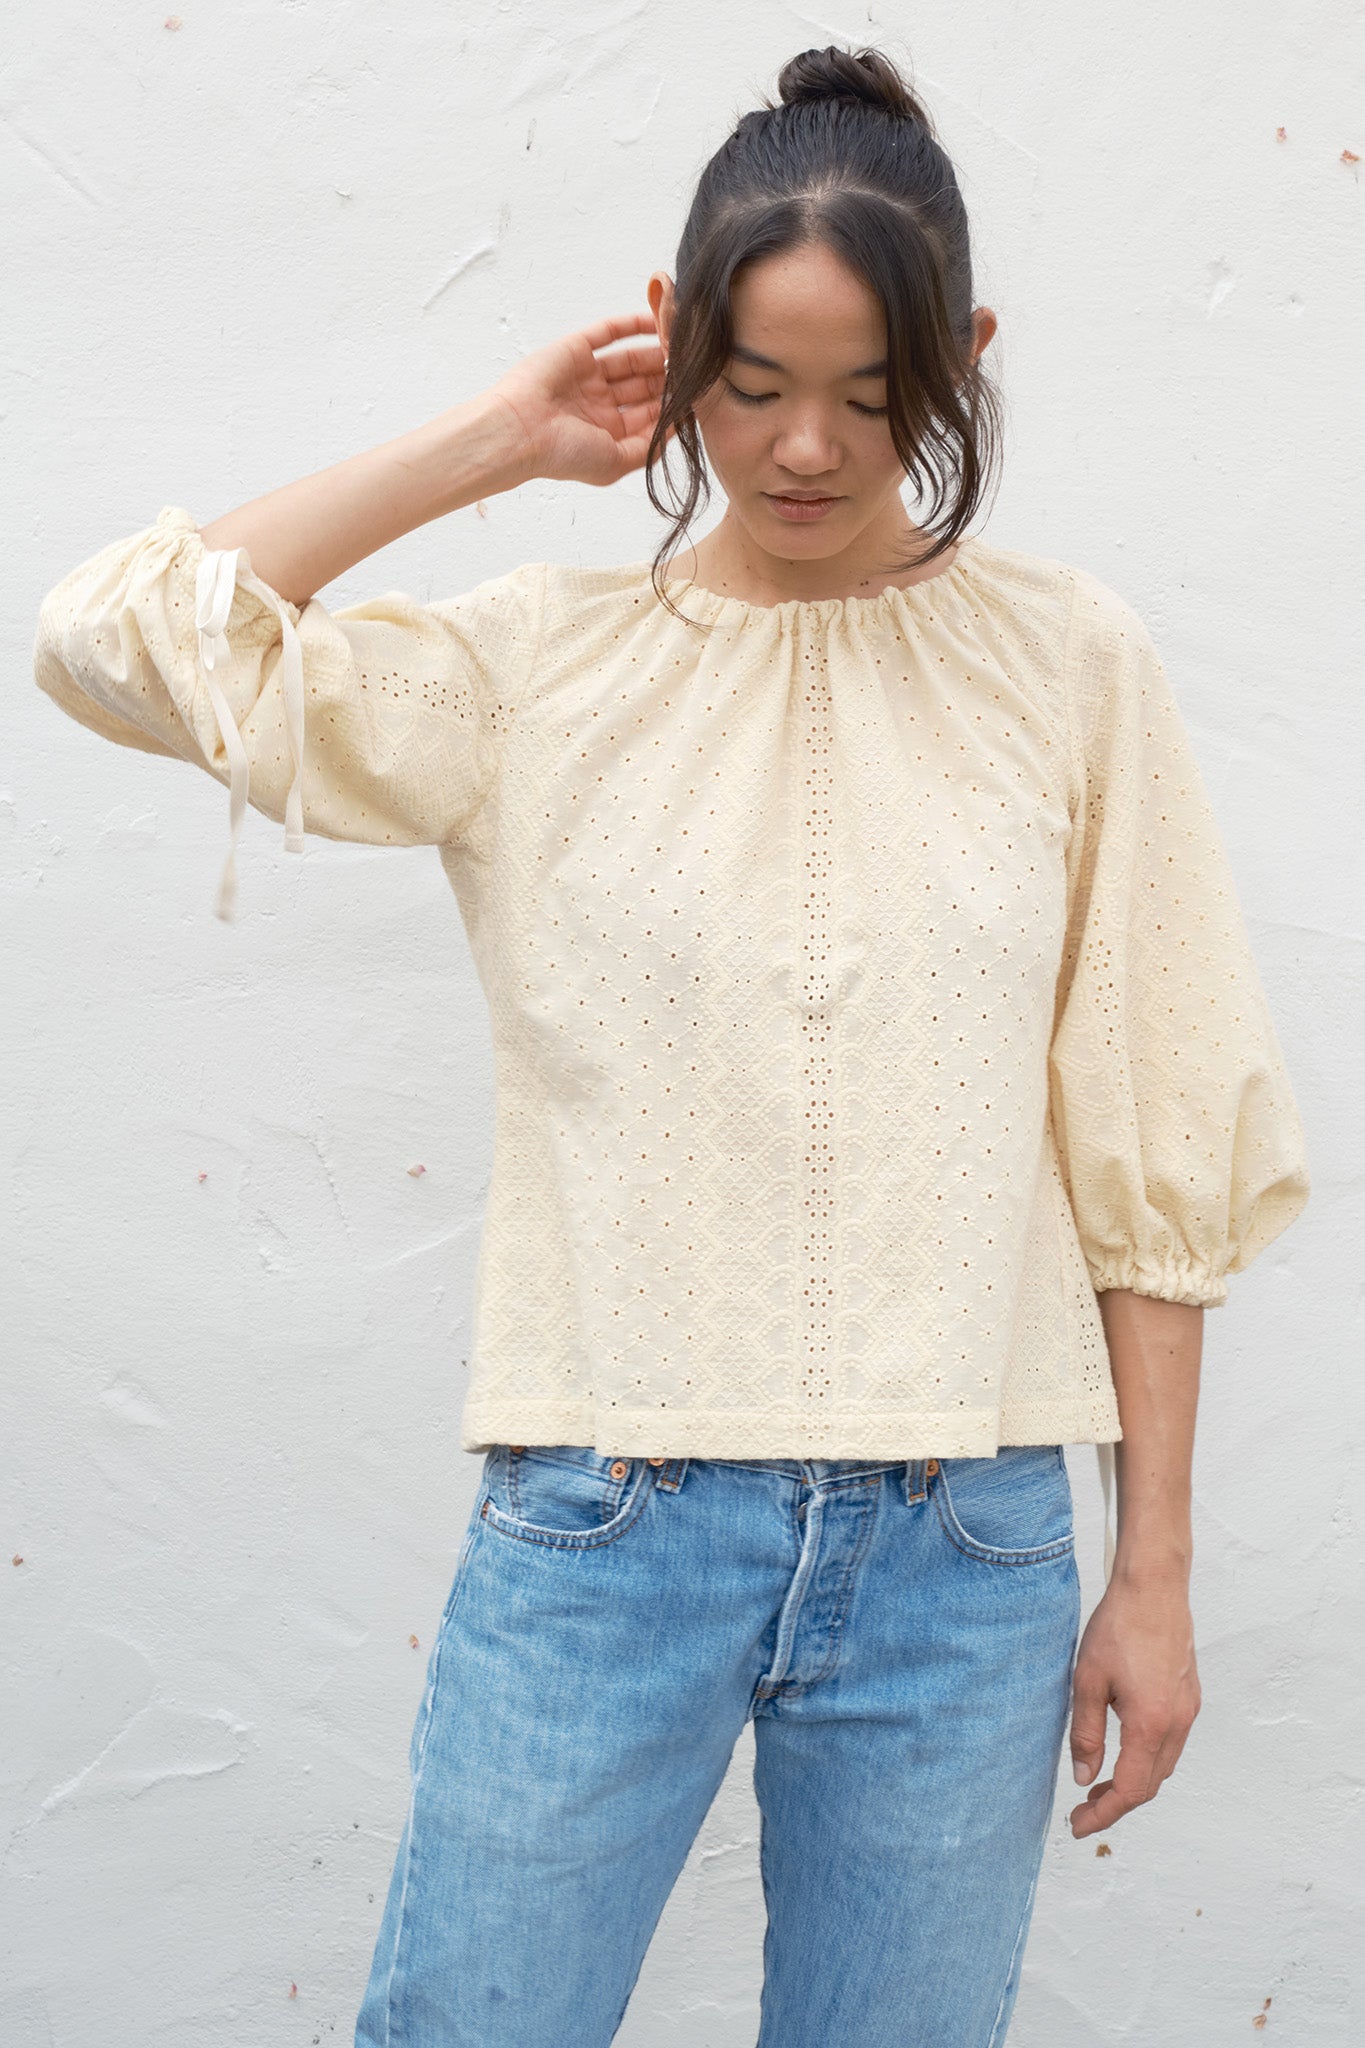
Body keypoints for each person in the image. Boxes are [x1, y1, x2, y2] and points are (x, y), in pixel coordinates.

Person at [32, 40, 1311, 2048]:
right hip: (602, 1520)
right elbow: (117, 638)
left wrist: (1148, 1570)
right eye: (750, 380)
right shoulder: (534, 666)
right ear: (674, 337)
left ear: (960, 360)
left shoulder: (1067, 662)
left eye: (872, 397)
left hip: (964, 1539)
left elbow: (1148, 1136)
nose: (804, 447)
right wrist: (492, 439)